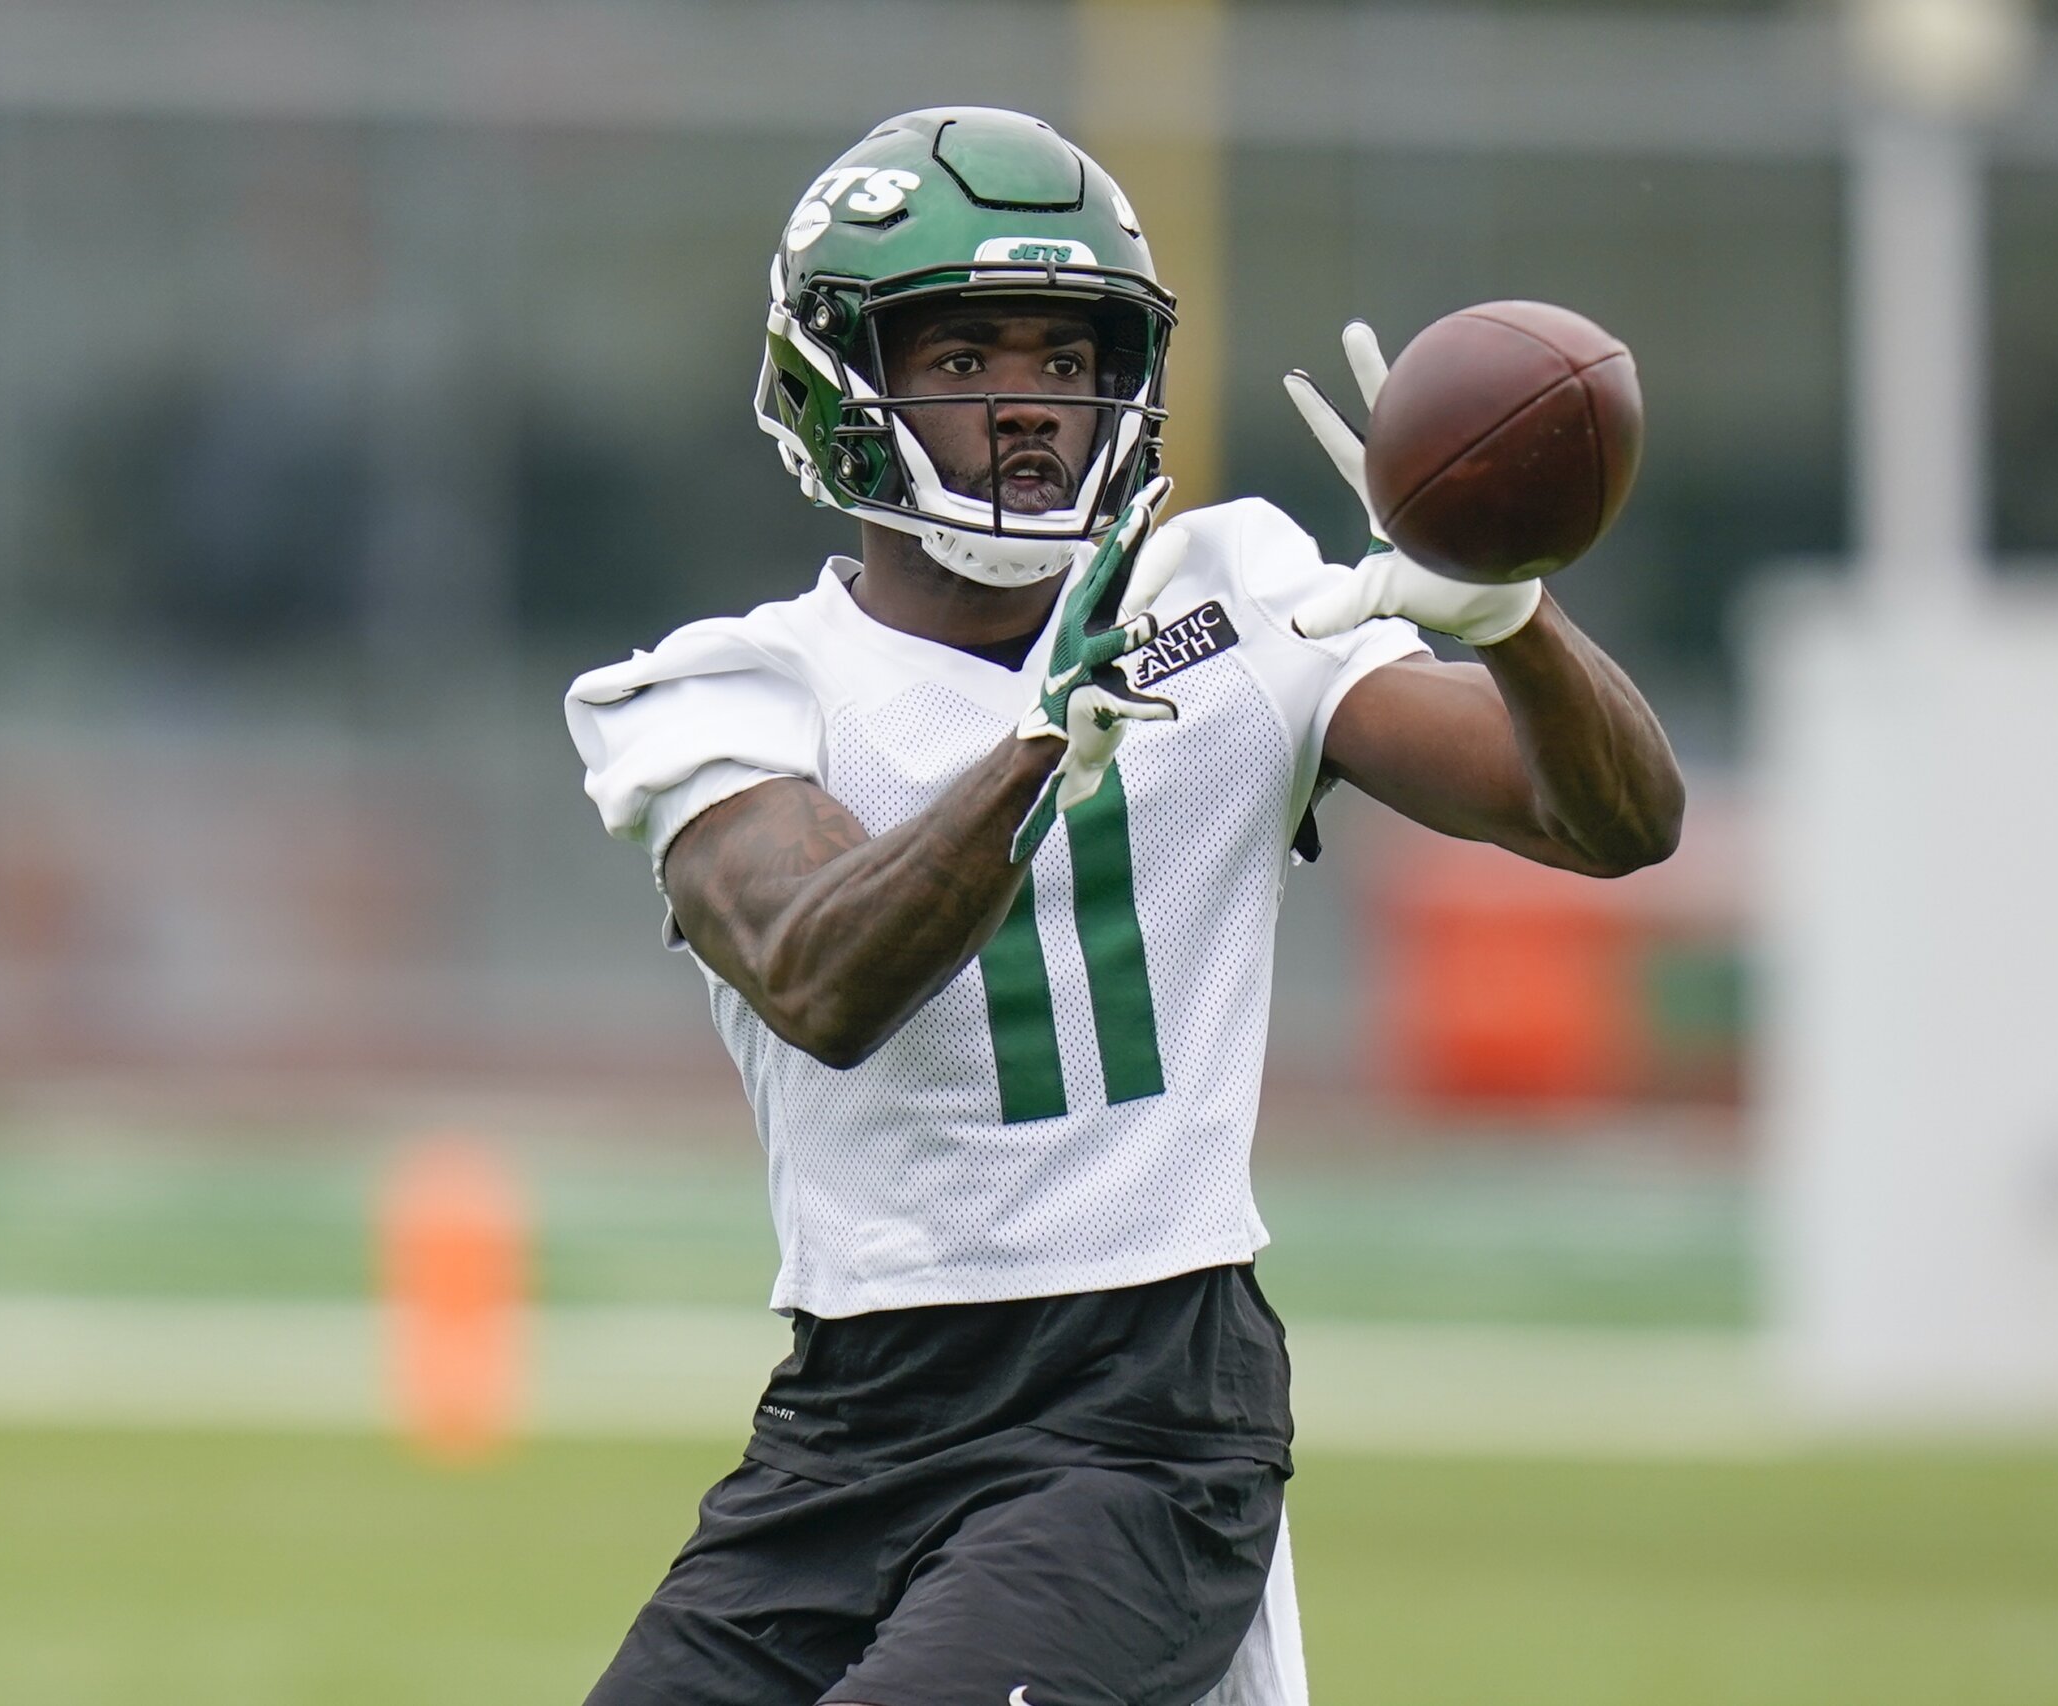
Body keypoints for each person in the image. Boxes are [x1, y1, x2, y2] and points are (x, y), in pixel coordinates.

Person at [564, 106, 1683, 1706]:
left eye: (1069, 355)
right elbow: (821, 977)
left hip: (1141, 1409)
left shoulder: (1232, 595)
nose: (1030, 402)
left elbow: (1614, 820)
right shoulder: (732, 686)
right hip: (856, 1414)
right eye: (964, 357)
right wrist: (1035, 748)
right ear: (836, 383)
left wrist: (1513, 617)